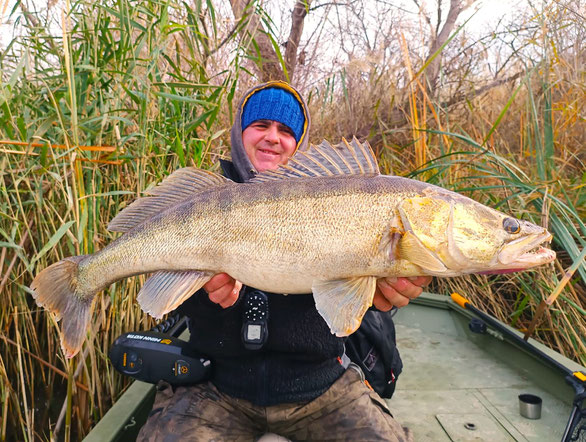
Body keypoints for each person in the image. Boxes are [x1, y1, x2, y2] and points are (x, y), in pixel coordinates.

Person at [137, 80, 431, 441]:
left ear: (299, 144)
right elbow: (163, 298)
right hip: (217, 387)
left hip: (320, 389)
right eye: (261, 125)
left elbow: (349, 309)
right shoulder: (204, 201)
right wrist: (206, 294)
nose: (273, 137)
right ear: (239, 133)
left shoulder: (343, 195)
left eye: (286, 131)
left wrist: (375, 297)